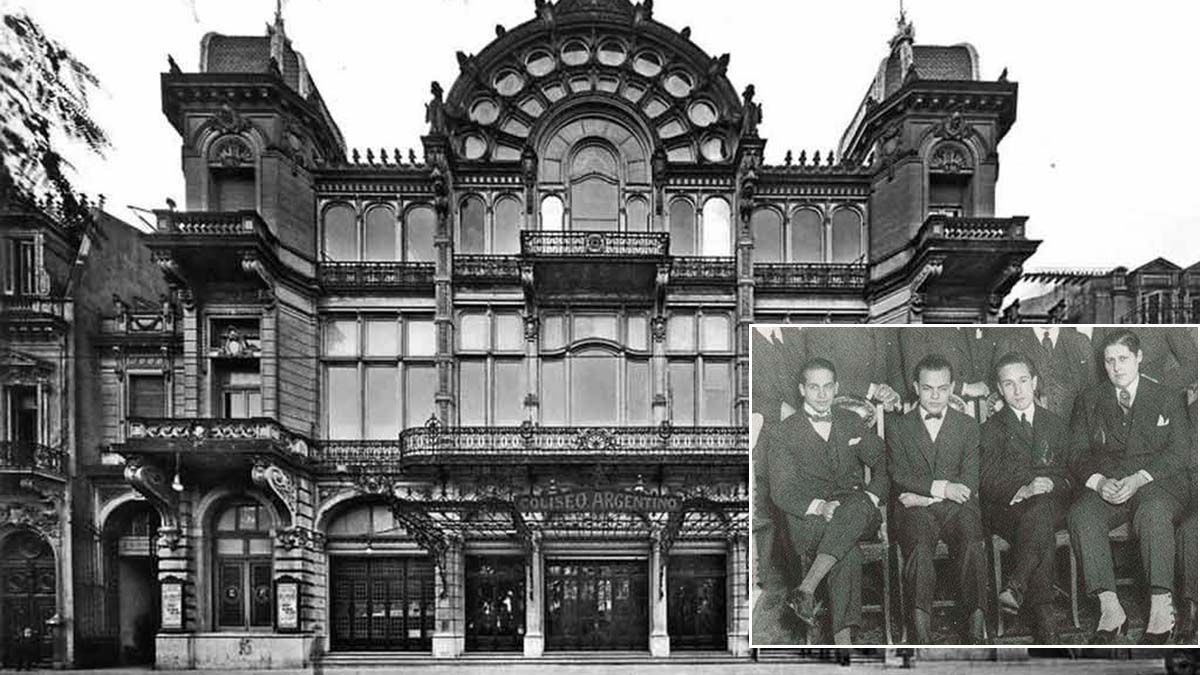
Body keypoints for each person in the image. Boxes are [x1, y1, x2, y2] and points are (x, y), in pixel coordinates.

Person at [1068, 329, 1190, 644]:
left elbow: (1179, 453)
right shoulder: (1089, 400)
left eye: (1123, 359)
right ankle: (1111, 610)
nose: (1117, 367)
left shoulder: (1167, 396)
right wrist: (1099, 483)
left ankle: (1161, 610)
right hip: (1112, 487)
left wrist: (1140, 478)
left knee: (1152, 512)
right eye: (1109, 361)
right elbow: (1076, 454)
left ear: (1138, 358)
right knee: (1082, 514)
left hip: (1156, 484)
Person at [758, 358, 888, 644]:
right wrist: (819, 506)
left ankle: (807, 587)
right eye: (814, 387)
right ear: (802, 389)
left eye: (828, 387)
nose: (822, 394)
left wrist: (872, 495)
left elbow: (883, 461)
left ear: (836, 388)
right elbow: (782, 490)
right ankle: (844, 643)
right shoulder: (781, 432)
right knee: (848, 553)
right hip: (812, 519)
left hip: (856, 510)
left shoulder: (851, 422)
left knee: (855, 507)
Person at [887, 353, 989, 644]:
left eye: (942, 388)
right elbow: (898, 476)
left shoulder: (967, 426)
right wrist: (943, 489)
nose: (935, 395)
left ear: (952, 388)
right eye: (928, 388)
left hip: (956, 507)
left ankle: (976, 629)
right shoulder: (898, 426)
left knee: (972, 538)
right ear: (916, 388)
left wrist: (928, 496)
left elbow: (968, 482)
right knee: (919, 546)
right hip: (914, 513)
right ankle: (921, 636)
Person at [980, 351, 1074, 642]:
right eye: (1008, 384)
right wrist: (1022, 489)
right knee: (1039, 522)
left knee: (1041, 512)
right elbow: (985, 478)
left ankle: (1018, 586)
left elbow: (1073, 473)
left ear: (1034, 382)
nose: (1018, 390)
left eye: (1023, 381)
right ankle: (1045, 620)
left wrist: (1049, 483)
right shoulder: (989, 429)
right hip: (1010, 508)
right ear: (999, 389)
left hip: (1050, 501)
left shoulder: (1056, 424)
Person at [986, 325, 1094, 421]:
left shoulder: (1080, 342)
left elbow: (1092, 391)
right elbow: (998, 394)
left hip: (1074, 433)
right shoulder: (1010, 342)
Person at [802, 327, 903, 413]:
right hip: (839, 413)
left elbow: (896, 371)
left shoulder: (888, 321)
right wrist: (870, 389)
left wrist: (895, 396)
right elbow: (818, 376)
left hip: (884, 413)